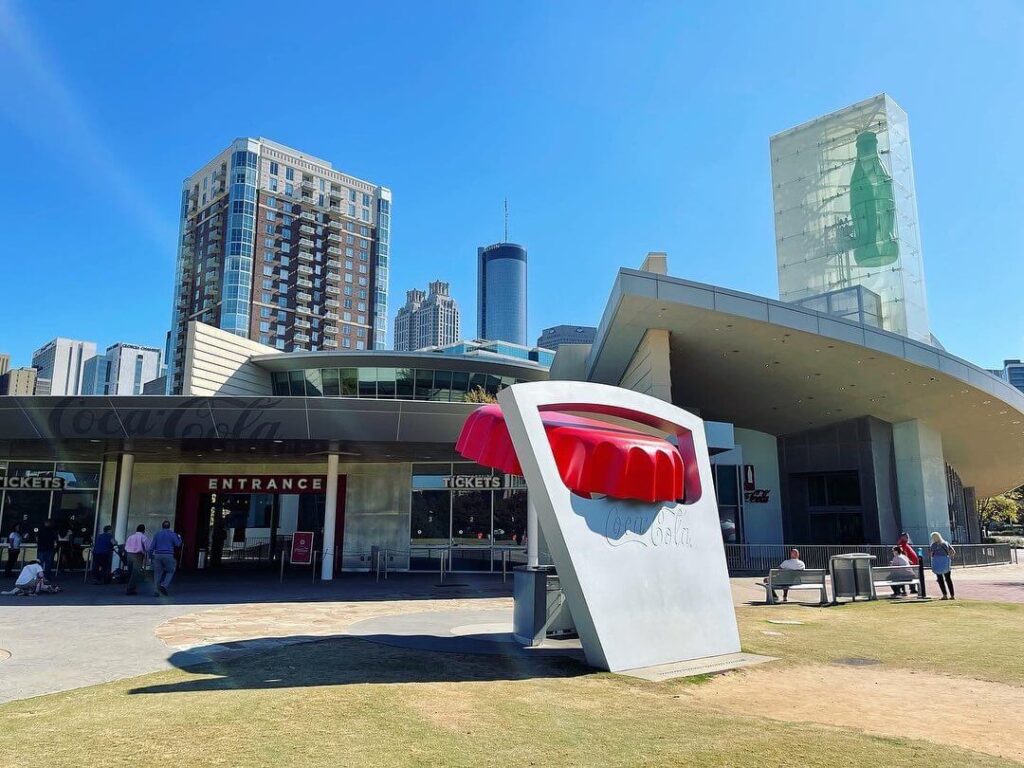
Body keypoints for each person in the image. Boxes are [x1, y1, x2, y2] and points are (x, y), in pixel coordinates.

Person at [150, 520, 182, 597]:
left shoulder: (157, 534)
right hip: (168, 555)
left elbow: (151, 547)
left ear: (162, 526)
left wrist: (150, 556)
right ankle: (163, 585)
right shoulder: (172, 534)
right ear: (169, 526)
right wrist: (179, 538)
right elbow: (178, 544)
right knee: (170, 571)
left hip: (158, 555)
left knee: (157, 573)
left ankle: (156, 591)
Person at [123, 524, 150, 596]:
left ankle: (130, 587)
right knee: (135, 573)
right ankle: (130, 589)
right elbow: (147, 548)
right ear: (144, 530)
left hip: (129, 554)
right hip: (138, 555)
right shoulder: (143, 537)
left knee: (130, 571)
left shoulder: (130, 537)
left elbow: (126, 547)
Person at [929, 531, 956, 600]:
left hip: (937, 562)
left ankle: (944, 595)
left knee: (940, 579)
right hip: (945, 561)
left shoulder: (934, 545)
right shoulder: (945, 543)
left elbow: (931, 554)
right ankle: (952, 595)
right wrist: (949, 557)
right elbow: (953, 551)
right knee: (948, 579)